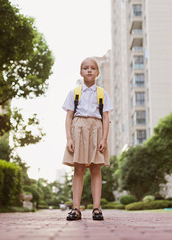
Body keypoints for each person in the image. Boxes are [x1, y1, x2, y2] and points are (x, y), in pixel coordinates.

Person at [62, 57, 113, 221]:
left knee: (96, 169)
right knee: (78, 169)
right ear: (80, 72)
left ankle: (96, 208)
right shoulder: (74, 92)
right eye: (85, 68)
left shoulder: (102, 93)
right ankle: (76, 209)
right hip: (78, 129)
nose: (89, 70)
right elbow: (69, 117)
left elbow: (106, 117)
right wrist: (69, 138)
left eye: (92, 68)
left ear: (97, 73)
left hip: (96, 130)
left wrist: (104, 139)